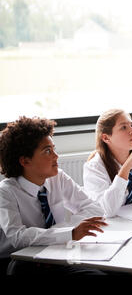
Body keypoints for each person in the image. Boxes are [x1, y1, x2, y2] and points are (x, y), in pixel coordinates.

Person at [0, 116, 107, 275]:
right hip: (17, 260)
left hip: (56, 252)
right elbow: (18, 237)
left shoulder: (58, 178)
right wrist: (69, 233)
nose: (56, 156)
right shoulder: (6, 192)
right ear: (25, 161)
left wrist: (66, 231)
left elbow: (95, 209)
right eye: (47, 151)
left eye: (53, 148)